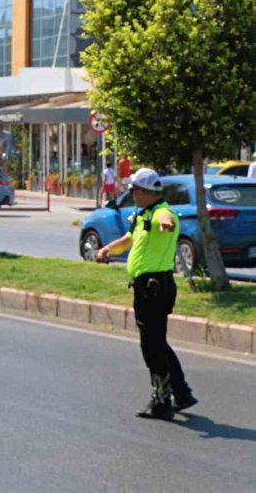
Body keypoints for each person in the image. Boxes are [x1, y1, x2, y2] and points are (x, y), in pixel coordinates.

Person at [96, 168, 197, 420]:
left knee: (151, 347)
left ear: (142, 192)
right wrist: (108, 248)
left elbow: (167, 219)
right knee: (157, 343)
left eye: (133, 191)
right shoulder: (144, 215)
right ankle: (182, 393)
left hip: (154, 289)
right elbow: (128, 240)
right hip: (147, 288)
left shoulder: (161, 212)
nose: (132, 195)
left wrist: (167, 224)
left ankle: (161, 401)